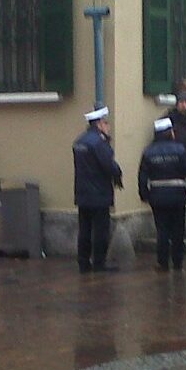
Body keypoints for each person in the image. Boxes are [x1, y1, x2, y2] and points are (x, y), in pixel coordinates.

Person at [138, 118, 186, 272]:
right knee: (178, 231)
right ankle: (178, 263)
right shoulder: (179, 150)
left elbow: (142, 176)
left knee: (162, 231)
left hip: (157, 198)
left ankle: (162, 263)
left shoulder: (148, 152)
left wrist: (144, 194)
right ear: (169, 133)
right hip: (178, 196)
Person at [73, 106, 123, 273]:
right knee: (101, 230)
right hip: (99, 193)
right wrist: (118, 173)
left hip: (82, 192)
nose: (108, 127)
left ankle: (83, 261)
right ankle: (99, 262)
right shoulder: (99, 143)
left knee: (84, 230)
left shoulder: (79, 141)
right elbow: (108, 165)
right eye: (106, 123)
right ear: (100, 124)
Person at [163, 90, 186, 165]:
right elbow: (159, 136)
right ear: (177, 104)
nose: (184, 105)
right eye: (181, 102)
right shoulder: (168, 118)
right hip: (171, 159)